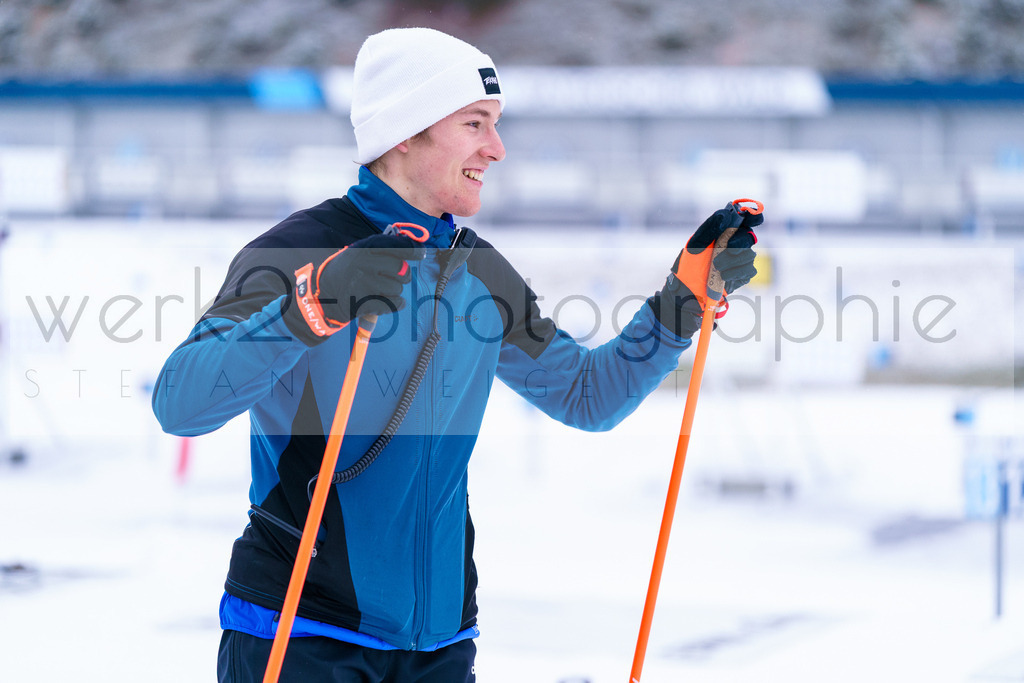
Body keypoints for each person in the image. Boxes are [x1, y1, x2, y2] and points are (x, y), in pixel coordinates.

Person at [152, 26, 761, 683]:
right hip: (300, 635)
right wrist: (315, 304)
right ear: (408, 131)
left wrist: (680, 303)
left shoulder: (479, 273)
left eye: (495, 125)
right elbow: (181, 402)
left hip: (439, 646)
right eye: (476, 124)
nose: (496, 149)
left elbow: (589, 395)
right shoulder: (297, 252)